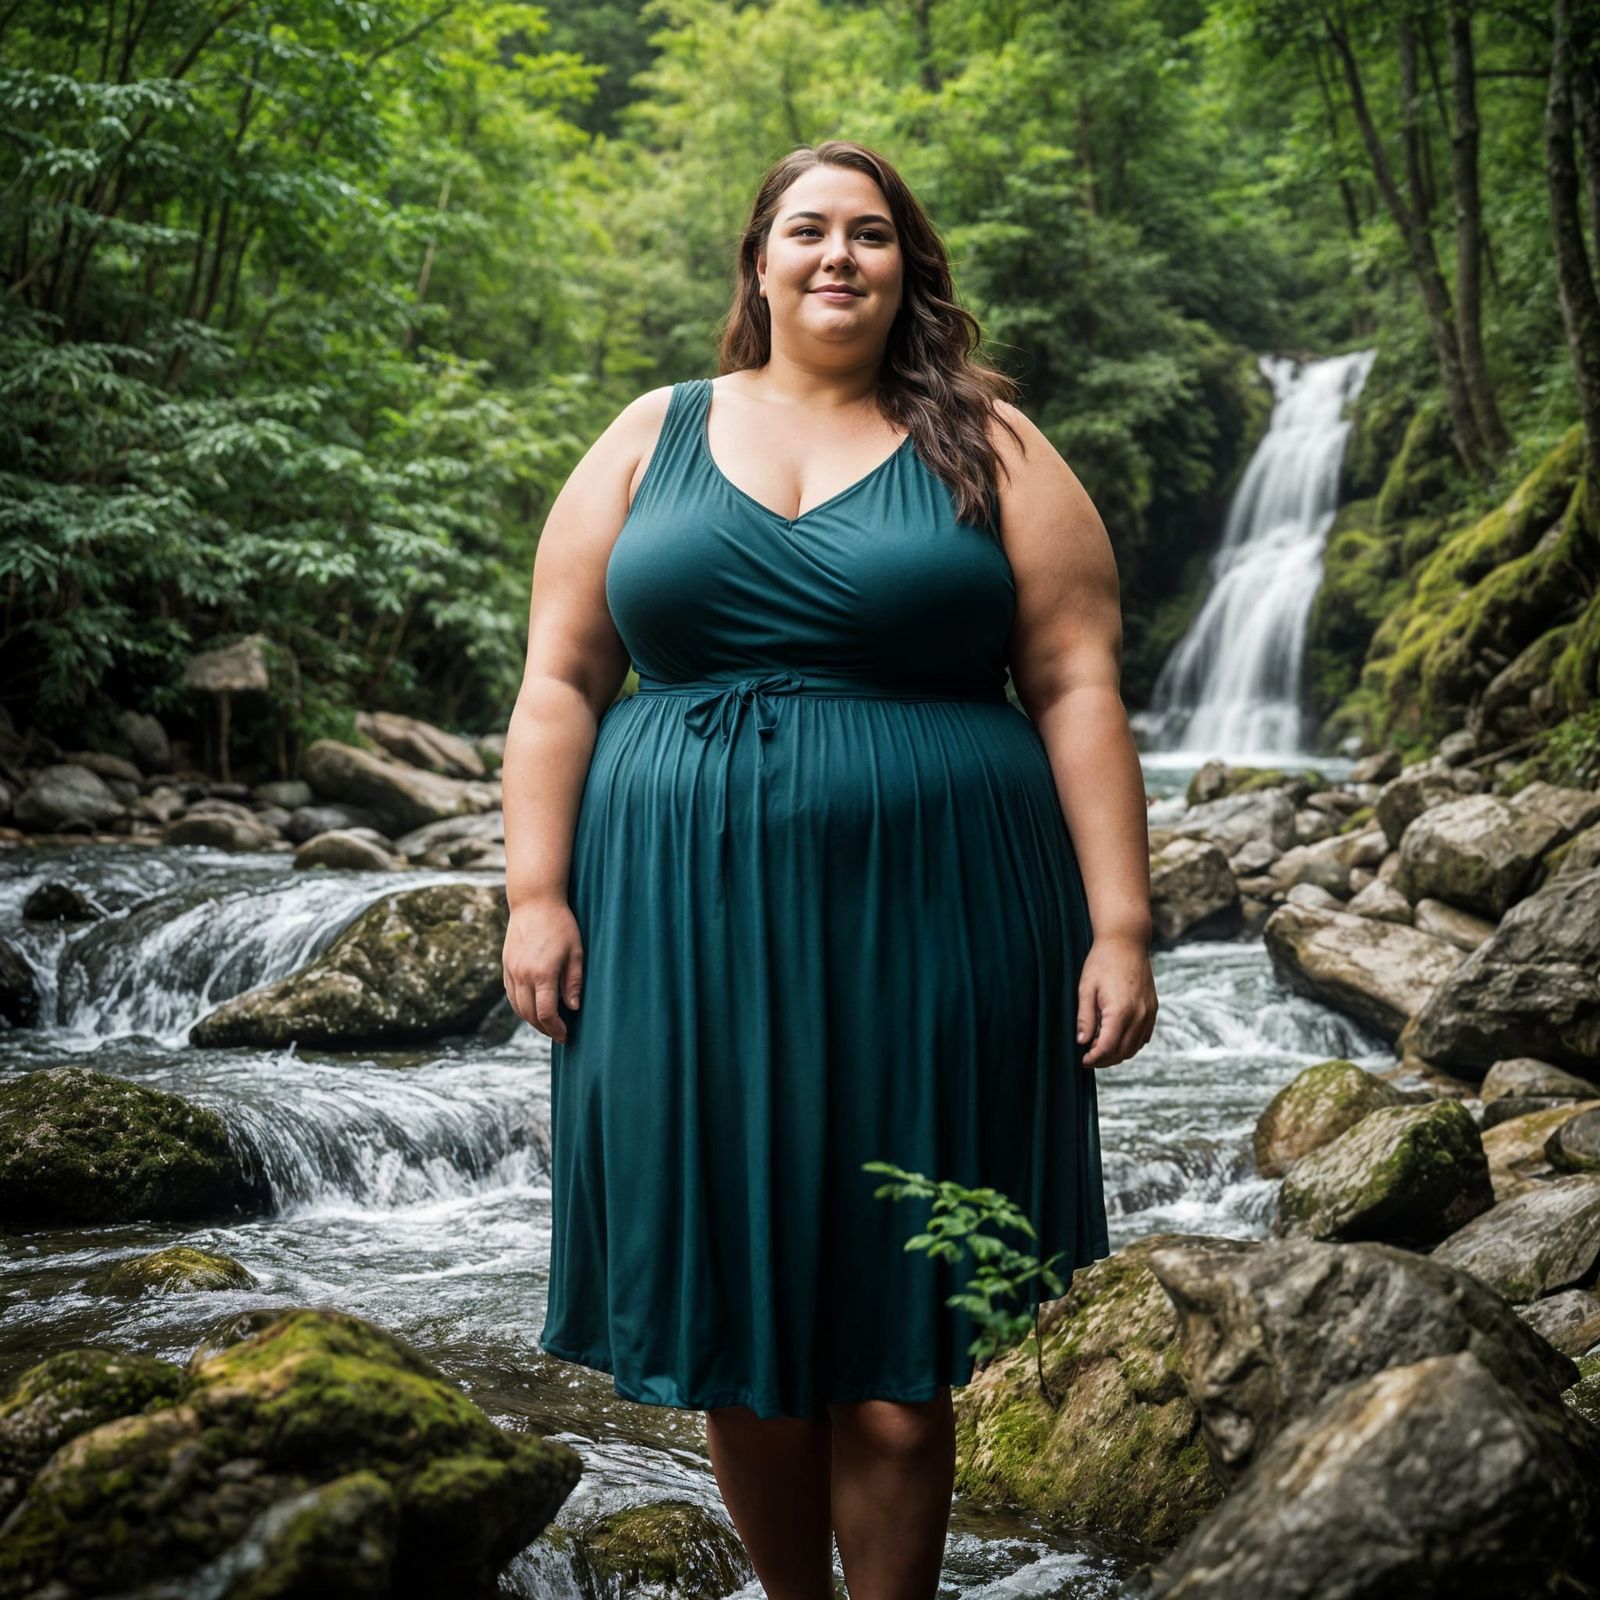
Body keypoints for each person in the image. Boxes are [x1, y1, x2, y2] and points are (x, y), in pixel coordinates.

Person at [501, 138, 1157, 1600]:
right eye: (809, 231)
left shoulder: (992, 443)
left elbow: (1075, 684)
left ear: (910, 267)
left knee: (904, 1330)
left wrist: (1121, 924)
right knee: (747, 1312)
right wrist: (535, 895)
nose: (839, 256)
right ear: (759, 261)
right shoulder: (647, 434)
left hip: (946, 912)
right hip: (679, 921)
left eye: (871, 233)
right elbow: (559, 680)